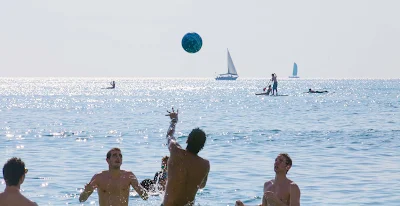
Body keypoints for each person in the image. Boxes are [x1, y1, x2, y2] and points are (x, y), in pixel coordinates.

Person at [162, 108, 210, 206]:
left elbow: (169, 135)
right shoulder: (205, 164)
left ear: (187, 140)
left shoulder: (175, 151)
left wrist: (174, 120)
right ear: (202, 147)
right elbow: (201, 185)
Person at [79, 148, 148, 205]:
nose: (118, 157)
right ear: (107, 160)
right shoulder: (99, 178)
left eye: (120, 156)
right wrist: (86, 192)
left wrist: (139, 188)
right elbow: (82, 200)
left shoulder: (129, 176)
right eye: (114, 155)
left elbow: (145, 197)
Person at [235, 153, 301, 206]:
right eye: (276, 160)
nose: (276, 163)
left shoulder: (292, 187)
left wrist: (277, 202)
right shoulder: (267, 184)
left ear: (288, 167)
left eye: (280, 161)